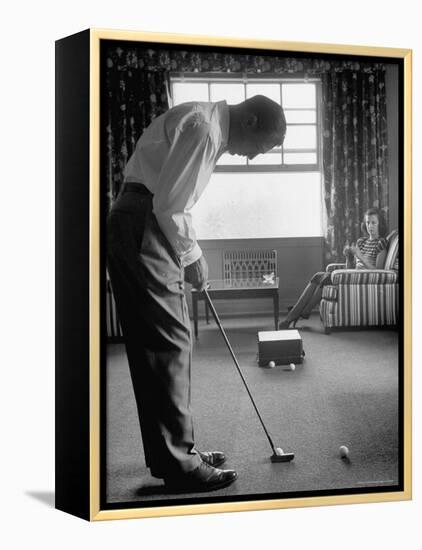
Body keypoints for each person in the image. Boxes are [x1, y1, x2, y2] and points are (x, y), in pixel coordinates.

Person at [107, 95, 287, 492]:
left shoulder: (206, 121)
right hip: (144, 223)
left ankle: (174, 455)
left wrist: (186, 253)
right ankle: (180, 466)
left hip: (137, 220)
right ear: (251, 120)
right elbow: (170, 206)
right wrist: (194, 257)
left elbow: (170, 199)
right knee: (169, 344)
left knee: (161, 346)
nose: (255, 157)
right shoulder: (206, 129)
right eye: (262, 148)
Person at [278, 207, 388, 329]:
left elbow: (379, 271)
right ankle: (302, 312)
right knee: (318, 276)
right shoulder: (361, 242)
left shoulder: (381, 243)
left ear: (380, 224)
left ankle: (294, 315)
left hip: (364, 279)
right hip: (352, 277)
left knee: (323, 278)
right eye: (368, 222)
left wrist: (360, 256)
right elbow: (350, 267)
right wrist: (348, 257)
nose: (370, 226)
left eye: (373, 223)